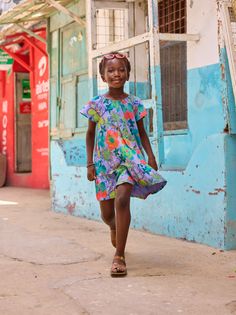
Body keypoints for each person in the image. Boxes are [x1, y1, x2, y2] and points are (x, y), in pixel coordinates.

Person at [80, 52, 167, 277]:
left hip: (130, 159)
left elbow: (141, 132)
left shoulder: (135, 104)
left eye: (121, 69)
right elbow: (90, 134)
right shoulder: (96, 104)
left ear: (128, 74)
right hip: (104, 163)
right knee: (107, 214)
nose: (116, 74)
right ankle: (112, 226)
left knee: (122, 198)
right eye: (110, 70)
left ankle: (119, 256)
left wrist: (150, 156)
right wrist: (90, 164)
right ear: (102, 76)